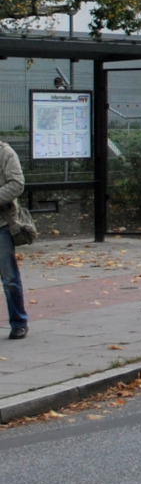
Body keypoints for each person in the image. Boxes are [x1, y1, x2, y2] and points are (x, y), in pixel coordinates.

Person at [0, 139, 26, 339]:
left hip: (1, 226)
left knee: (9, 278)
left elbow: (17, 184)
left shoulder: (5, 152)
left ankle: (18, 322)